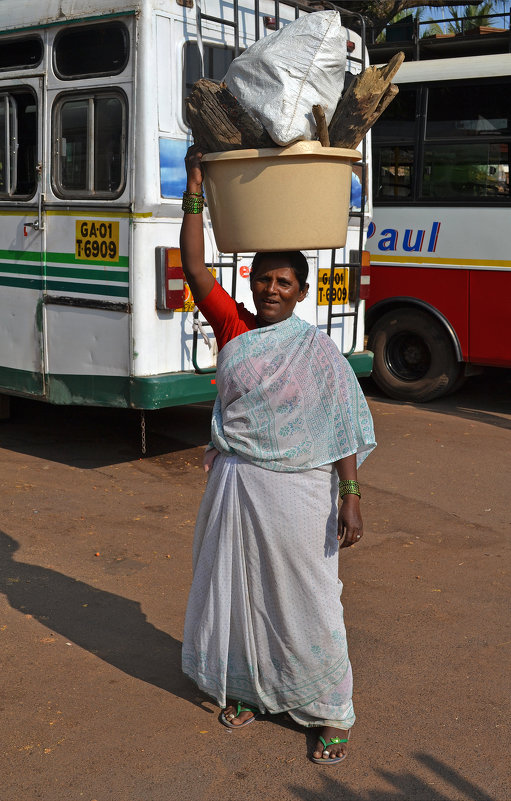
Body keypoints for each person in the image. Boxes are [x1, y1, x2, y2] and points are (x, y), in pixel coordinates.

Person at [180, 147, 376, 764]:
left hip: (300, 494)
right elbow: (193, 268)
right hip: (238, 489)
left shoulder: (318, 353)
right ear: (251, 281)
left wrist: (350, 497)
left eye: (282, 281)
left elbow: (342, 426)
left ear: (301, 291)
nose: (270, 287)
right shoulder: (236, 332)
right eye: (262, 277)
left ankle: (330, 710)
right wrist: (193, 190)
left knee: (310, 598)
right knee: (242, 589)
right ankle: (249, 689)